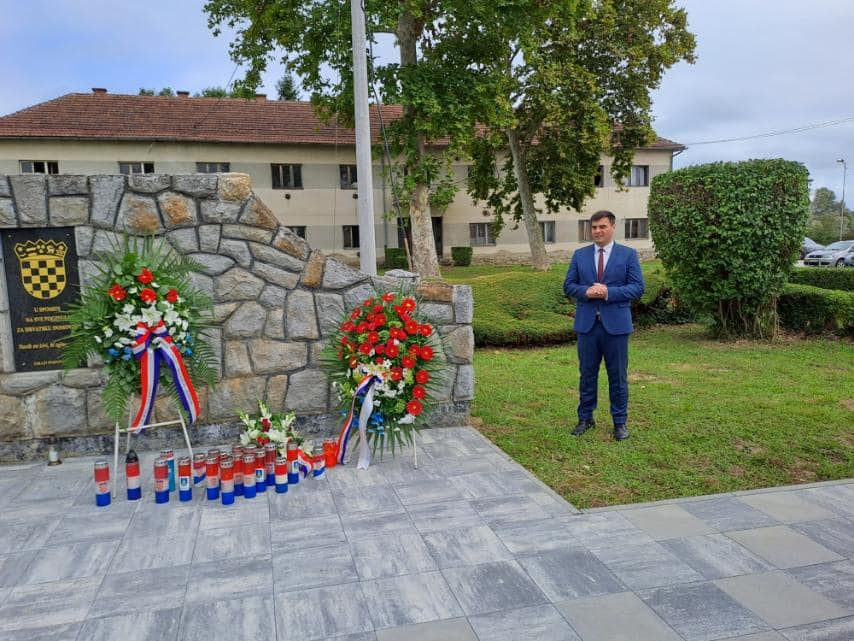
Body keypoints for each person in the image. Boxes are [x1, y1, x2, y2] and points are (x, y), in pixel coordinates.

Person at [563, 210, 645, 441]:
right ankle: (585, 418)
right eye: (594, 227)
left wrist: (608, 291)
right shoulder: (580, 255)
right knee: (587, 375)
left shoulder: (628, 255)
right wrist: (586, 291)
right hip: (587, 326)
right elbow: (568, 286)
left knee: (618, 376)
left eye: (602, 227)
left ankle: (619, 422)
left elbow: (637, 288)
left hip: (616, 327)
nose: (597, 231)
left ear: (613, 227)